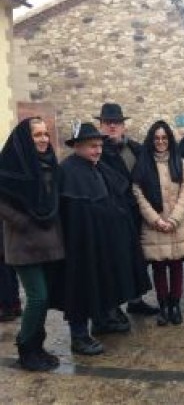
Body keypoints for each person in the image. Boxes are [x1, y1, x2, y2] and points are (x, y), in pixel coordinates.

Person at [60, 122, 150, 355]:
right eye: (92, 146)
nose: (98, 150)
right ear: (77, 146)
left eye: (99, 146)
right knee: (81, 288)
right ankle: (79, 337)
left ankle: (102, 321)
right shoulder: (68, 170)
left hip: (103, 240)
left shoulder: (98, 167)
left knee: (102, 281)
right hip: (80, 244)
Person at [0, 118, 64, 371]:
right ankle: (25, 347)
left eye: (45, 134)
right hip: (24, 243)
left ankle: (38, 347)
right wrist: (20, 220)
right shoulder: (11, 166)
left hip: (49, 241)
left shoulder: (51, 164)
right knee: (38, 298)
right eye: (37, 135)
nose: (43, 139)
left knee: (44, 299)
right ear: (26, 139)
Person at [96, 103, 159, 317]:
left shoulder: (135, 148)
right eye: (108, 123)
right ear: (101, 125)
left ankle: (135, 300)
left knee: (137, 258)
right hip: (111, 214)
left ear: (123, 125)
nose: (112, 126)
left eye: (117, 123)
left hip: (135, 211)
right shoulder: (97, 151)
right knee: (114, 259)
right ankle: (113, 306)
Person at [132, 120, 184, 326]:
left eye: (164, 138)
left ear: (169, 139)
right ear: (152, 140)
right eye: (157, 138)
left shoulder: (179, 161)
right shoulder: (143, 163)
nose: (160, 141)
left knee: (176, 266)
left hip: (177, 223)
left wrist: (174, 218)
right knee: (159, 268)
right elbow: (138, 193)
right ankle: (163, 306)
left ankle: (175, 305)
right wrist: (156, 220)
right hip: (154, 225)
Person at [0, 224, 21, 322]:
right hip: (9, 239)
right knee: (10, 272)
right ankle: (15, 305)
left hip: (4, 239)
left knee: (4, 274)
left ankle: (7, 308)